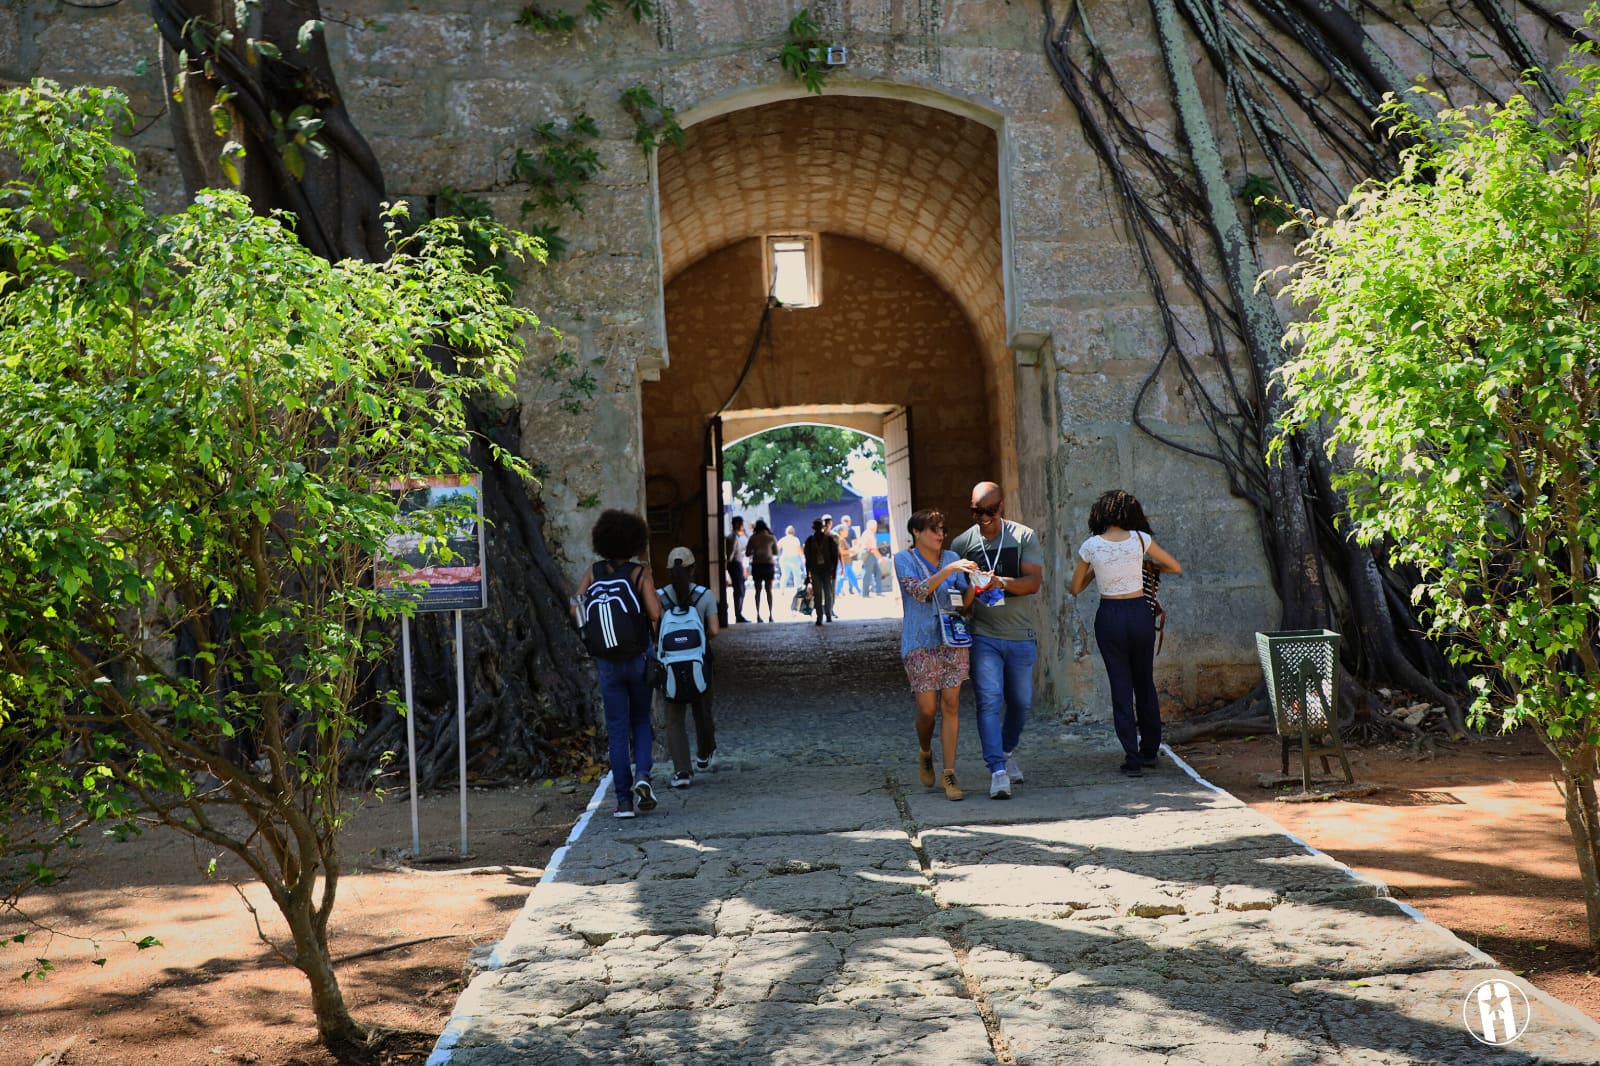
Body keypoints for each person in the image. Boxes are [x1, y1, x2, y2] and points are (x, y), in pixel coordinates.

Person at [1069, 489, 1183, 777]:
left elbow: (1075, 588)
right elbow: (1174, 566)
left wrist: (1098, 570)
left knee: (1121, 688)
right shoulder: (1140, 540)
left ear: (1101, 513)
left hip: (1110, 616)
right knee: (1145, 682)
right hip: (1139, 612)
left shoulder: (1091, 546)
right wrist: (1149, 566)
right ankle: (1150, 750)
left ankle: (1131, 759)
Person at [949, 481, 1044, 800]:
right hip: (983, 635)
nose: (984, 517)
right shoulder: (962, 543)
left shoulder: (1023, 536)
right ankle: (997, 771)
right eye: (977, 511)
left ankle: (1005, 751)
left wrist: (997, 582)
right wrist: (968, 594)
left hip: (1019, 633)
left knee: (1021, 702)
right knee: (989, 700)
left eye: (990, 510)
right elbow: (955, 595)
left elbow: (1033, 583)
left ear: (1001, 507)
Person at [572, 509, 662, 818]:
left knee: (617, 728)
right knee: (641, 722)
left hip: (606, 661)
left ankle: (623, 801)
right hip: (638, 658)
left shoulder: (594, 571)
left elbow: (576, 608)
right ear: (636, 541)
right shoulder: (639, 574)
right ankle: (643, 778)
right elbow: (654, 613)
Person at [895, 509, 978, 801]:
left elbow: (964, 602)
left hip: (953, 640)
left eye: (942, 529)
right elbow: (918, 592)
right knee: (928, 710)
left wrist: (978, 586)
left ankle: (950, 773)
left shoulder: (953, 557)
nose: (940, 534)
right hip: (920, 642)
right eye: (933, 529)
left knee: (952, 705)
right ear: (917, 532)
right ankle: (925, 751)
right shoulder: (904, 559)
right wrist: (948, 571)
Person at [659, 545, 720, 787]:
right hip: (699, 662)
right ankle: (704, 753)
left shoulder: (659, 597)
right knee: (702, 709)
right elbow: (714, 629)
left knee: (674, 719)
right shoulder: (704, 595)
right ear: (693, 569)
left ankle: (682, 772)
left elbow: (655, 632)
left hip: (671, 666)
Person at [803, 517, 840, 625]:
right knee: (820, 594)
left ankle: (826, 614)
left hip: (825, 570)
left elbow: (834, 556)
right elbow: (807, 558)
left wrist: (833, 571)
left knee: (826, 593)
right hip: (817, 570)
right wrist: (807, 573)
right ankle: (820, 616)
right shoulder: (810, 541)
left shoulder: (828, 540)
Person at [745, 518, 779, 622]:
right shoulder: (771, 537)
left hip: (757, 565)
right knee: (769, 591)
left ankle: (758, 615)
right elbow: (776, 552)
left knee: (758, 591)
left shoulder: (753, 538)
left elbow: (747, 553)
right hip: (768, 565)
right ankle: (771, 615)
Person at [725, 515, 750, 623]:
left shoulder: (735, 536)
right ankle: (738, 614)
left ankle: (738, 613)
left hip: (736, 564)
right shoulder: (733, 537)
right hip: (735, 564)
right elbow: (730, 554)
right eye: (741, 524)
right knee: (739, 590)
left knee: (740, 589)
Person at [835, 514, 861, 597]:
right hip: (844, 561)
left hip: (846, 561)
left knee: (849, 577)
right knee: (843, 577)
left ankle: (859, 591)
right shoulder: (840, 540)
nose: (847, 532)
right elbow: (841, 552)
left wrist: (851, 552)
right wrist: (851, 551)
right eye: (846, 531)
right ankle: (836, 593)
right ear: (841, 532)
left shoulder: (842, 539)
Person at [858, 519, 886, 597]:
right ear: (873, 527)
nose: (876, 528)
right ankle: (865, 593)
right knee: (867, 574)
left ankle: (878, 591)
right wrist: (881, 558)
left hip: (869, 555)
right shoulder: (869, 534)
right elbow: (873, 549)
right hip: (869, 555)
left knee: (877, 572)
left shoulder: (866, 533)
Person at [778, 524, 805, 588]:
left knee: (784, 575)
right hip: (794, 558)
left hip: (784, 558)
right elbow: (799, 550)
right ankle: (798, 589)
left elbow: (777, 548)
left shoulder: (783, 539)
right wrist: (802, 555)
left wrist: (779, 556)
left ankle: (782, 590)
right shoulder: (795, 539)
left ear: (786, 532)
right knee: (797, 575)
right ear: (794, 532)